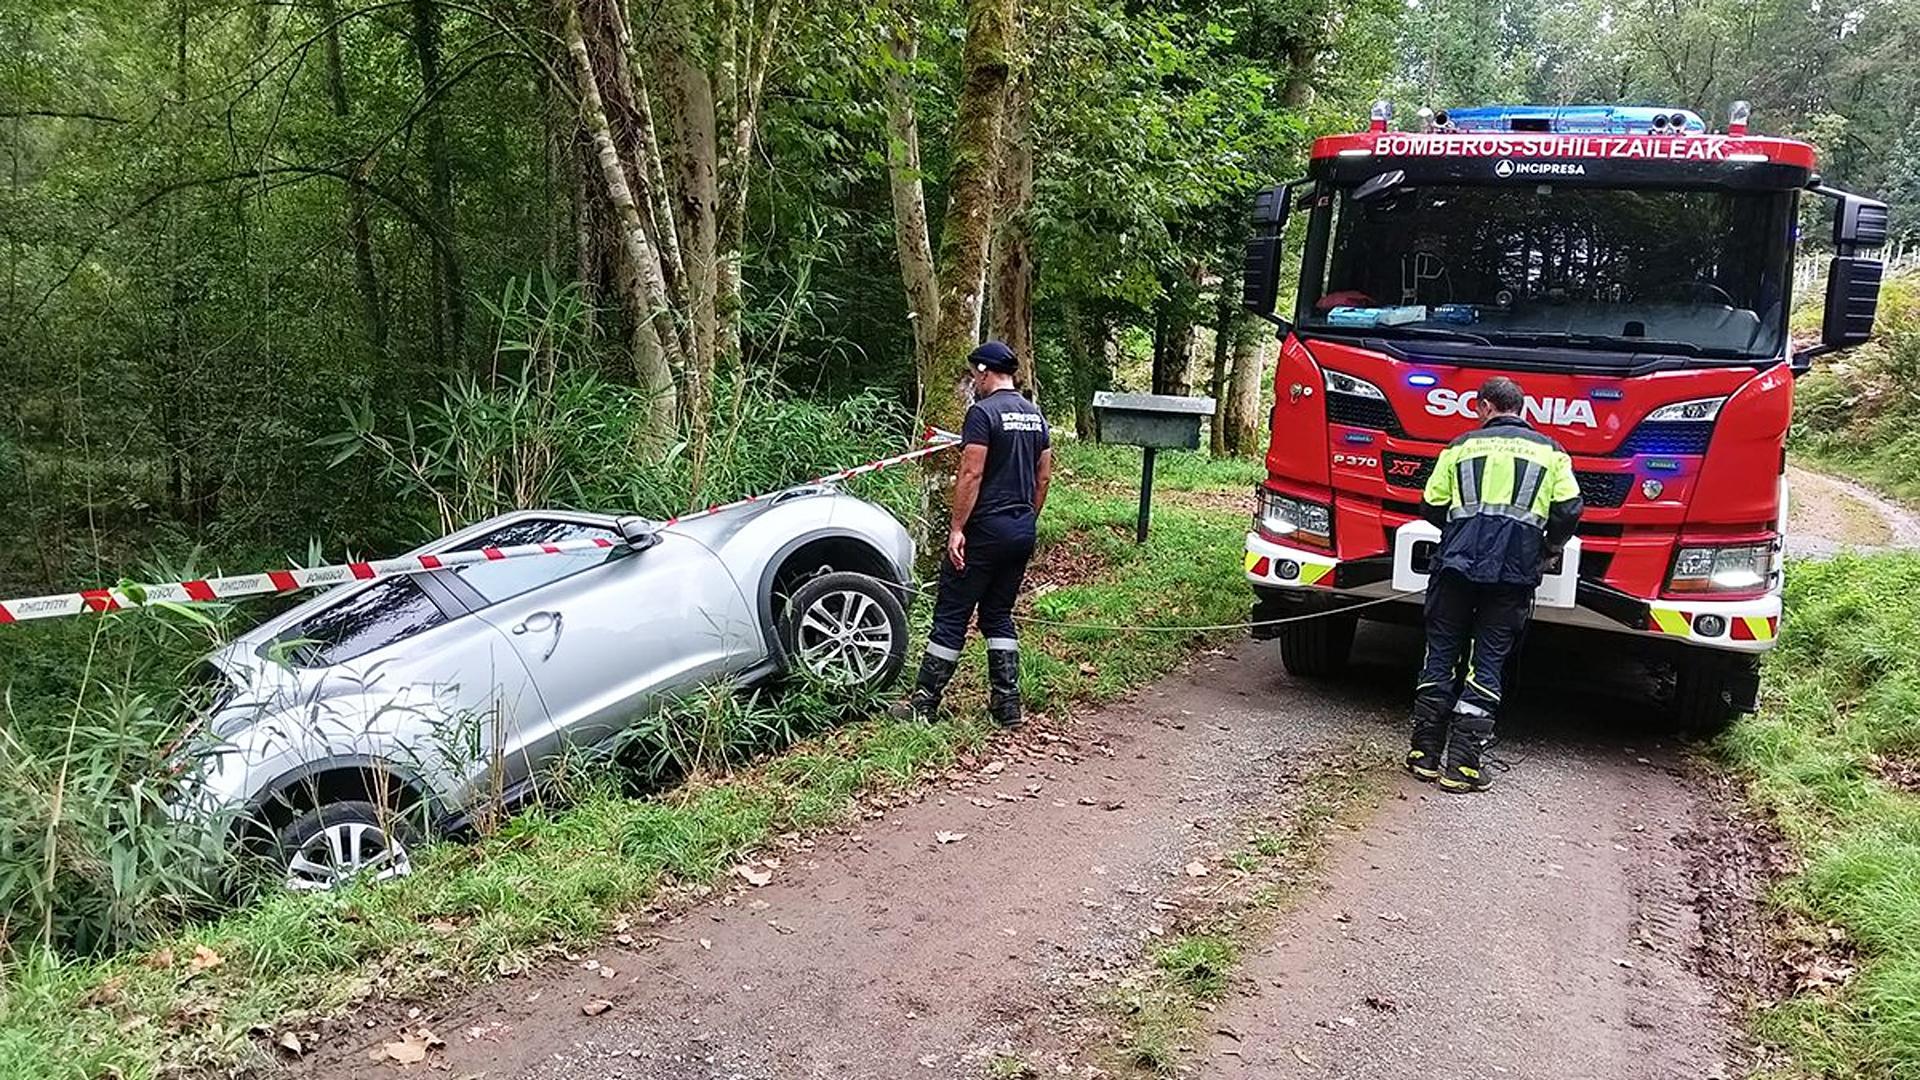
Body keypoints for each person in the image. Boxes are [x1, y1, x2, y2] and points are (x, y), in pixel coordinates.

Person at [1406, 376, 1582, 792]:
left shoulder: (1460, 447)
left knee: (1441, 650)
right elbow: (1570, 510)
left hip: (1454, 567)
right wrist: (1548, 547)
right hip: (1513, 573)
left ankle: (1424, 755)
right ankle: (1463, 766)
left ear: (1485, 407)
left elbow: (1431, 505)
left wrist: (1462, 532)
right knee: (1487, 660)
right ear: (1520, 409)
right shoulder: (1551, 452)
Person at [894, 340, 1053, 727]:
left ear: (984, 371)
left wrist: (957, 528)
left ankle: (924, 703)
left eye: (974, 374)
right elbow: (1043, 476)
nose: (974, 382)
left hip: (984, 529)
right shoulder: (1036, 417)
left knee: (951, 614)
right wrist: (1026, 519)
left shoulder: (982, 414)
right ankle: (1007, 705)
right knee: (998, 614)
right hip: (1020, 530)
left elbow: (971, 473)